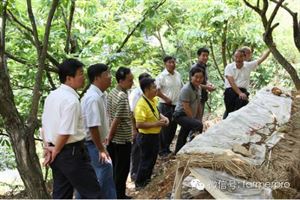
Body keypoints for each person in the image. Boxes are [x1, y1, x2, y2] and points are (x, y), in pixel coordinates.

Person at [42, 58, 101, 199]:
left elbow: (44, 126)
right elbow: (65, 131)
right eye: (80, 73)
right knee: (93, 193)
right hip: (70, 152)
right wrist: (55, 151)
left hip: (56, 151)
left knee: (62, 194)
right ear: (69, 78)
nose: (84, 77)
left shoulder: (51, 96)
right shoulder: (71, 100)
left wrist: (48, 148)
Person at [80, 63, 117, 199]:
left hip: (95, 143)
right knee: (104, 173)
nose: (110, 77)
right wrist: (101, 149)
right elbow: (92, 126)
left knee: (92, 178)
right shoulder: (93, 98)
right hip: (92, 144)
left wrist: (104, 137)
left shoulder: (101, 95)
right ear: (97, 78)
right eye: (107, 74)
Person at [134, 78, 169, 189]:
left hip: (154, 135)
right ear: (146, 89)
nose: (156, 89)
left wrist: (164, 118)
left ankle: (147, 180)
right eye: (153, 87)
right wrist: (157, 123)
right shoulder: (141, 104)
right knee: (145, 160)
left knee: (152, 159)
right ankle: (140, 183)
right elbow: (139, 124)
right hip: (146, 137)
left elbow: (157, 113)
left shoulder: (152, 100)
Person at [107, 67, 134, 199]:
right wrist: (109, 137)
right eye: (130, 80)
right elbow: (116, 120)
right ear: (121, 80)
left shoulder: (112, 92)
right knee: (122, 170)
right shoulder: (122, 96)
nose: (132, 83)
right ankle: (119, 195)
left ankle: (117, 194)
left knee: (116, 168)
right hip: (121, 140)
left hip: (114, 139)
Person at [223, 48, 271, 119]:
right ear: (233, 57)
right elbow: (231, 82)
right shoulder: (229, 67)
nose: (238, 59)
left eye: (240, 57)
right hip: (230, 91)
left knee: (240, 108)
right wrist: (239, 93)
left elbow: (261, 59)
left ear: (244, 57)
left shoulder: (248, 65)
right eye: (236, 57)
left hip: (242, 91)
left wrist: (270, 49)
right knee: (230, 111)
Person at [173, 67, 204, 154]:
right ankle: (193, 148)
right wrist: (194, 120)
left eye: (201, 77)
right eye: (196, 77)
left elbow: (198, 104)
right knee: (197, 125)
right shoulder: (186, 89)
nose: (198, 79)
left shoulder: (199, 88)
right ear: (191, 77)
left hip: (188, 115)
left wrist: (199, 118)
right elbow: (186, 107)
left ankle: (178, 152)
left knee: (184, 132)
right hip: (180, 115)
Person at [156, 56, 182, 157]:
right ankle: (162, 151)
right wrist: (166, 98)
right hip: (165, 105)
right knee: (165, 129)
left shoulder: (178, 74)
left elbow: (181, 88)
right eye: (170, 62)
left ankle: (167, 148)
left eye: (174, 62)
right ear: (165, 64)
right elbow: (157, 91)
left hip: (176, 105)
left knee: (173, 128)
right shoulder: (161, 76)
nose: (172, 64)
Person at [128, 72, 151, 181]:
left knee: (146, 148)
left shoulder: (150, 93)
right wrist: (134, 129)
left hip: (148, 125)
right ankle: (134, 172)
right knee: (137, 149)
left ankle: (144, 172)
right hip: (137, 124)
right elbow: (131, 112)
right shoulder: (135, 94)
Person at [192, 47, 216, 122]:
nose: (205, 57)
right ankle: (192, 133)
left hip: (202, 96)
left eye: (207, 56)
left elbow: (205, 80)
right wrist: (207, 87)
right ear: (198, 56)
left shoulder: (204, 67)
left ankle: (196, 133)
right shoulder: (195, 68)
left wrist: (209, 85)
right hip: (195, 97)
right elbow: (193, 83)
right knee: (195, 119)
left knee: (199, 118)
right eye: (203, 55)